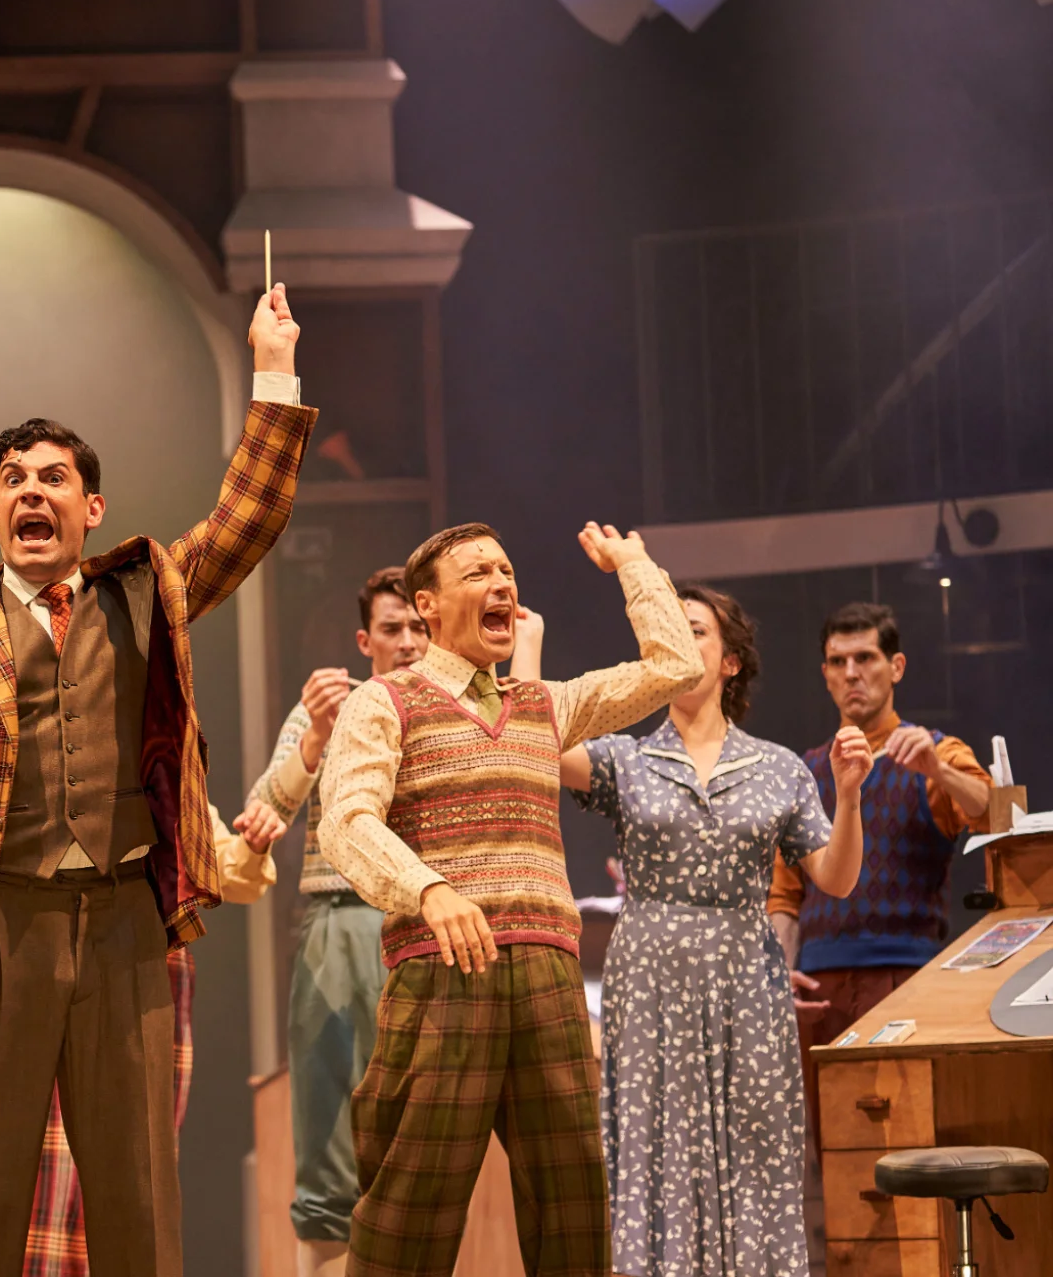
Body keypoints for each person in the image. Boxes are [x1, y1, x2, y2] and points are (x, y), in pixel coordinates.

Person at [0, 285, 314, 1277]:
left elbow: (246, 521)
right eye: (13, 480)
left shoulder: (142, 593)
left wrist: (272, 369)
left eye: (53, 477)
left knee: (137, 1196)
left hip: (122, 926)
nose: (32, 492)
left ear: (90, 508)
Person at [317, 520, 702, 1277]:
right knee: (407, 1211)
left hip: (549, 976)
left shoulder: (544, 703)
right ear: (427, 605)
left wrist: (633, 564)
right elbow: (346, 820)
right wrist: (429, 889)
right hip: (443, 972)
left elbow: (675, 665)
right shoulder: (386, 700)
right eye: (477, 574)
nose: (501, 583)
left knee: (574, 1214)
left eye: (506, 571)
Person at [551, 584, 868, 1277]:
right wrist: (527, 643)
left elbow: (836, 877)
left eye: (694, 629)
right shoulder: (627, 759)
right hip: (651, 978)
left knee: (755, 1147)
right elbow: (530, 738)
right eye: (667, 629)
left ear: (730, 661)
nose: (678, 638)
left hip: (745, 979)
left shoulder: (778, 767)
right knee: (656, 1146)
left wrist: (848, 796)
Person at [244, 566, 429, 1277]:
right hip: (338, 921)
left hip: (424, 928)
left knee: (417, 1145)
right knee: (326, 1138)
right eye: (392, 628)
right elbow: (265, 807)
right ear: (364, 640)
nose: (408, 641)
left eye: (418, 627)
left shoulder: (448, 714)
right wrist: (318, 737)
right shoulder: (328, 708)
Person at [766, 601, 992, 1148]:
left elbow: (993, 813)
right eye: (837, 661)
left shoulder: (935, 752)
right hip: (819, 989)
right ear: (824, 673)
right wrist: (778, 973)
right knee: (835, 1149)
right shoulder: (806, 772)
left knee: (912, 1142)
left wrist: (937, 769)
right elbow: (785, 896)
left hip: (907, 980)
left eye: (865, 658)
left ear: (896, 667)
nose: (851, 673)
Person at [24, 803, 281, 1276]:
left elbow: (220, 864)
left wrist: (252, 845)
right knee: (49, 1169)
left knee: (138, 1163)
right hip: (59, 952)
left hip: (151, 965)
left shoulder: (164, 767)